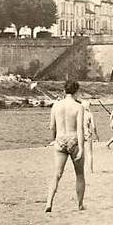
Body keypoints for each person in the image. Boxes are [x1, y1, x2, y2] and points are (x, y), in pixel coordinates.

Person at [44, 80, 86, 212]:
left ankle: (49, 202)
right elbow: (80, 129)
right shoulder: (79, 107)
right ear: (77, 92)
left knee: (56, 174)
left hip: (60, 139)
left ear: (64, 91)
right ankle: (80, 204)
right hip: (73, 139)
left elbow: (52, 126)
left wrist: (54, 139)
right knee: (79, 174)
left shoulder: (56, 105)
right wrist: (82, 148)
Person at [81, 101, 98, 172]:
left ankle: (81, 169)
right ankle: (90, 170)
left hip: (79, 133)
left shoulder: (79, 114)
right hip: (87, 133)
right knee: (89, 153)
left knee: (81, 152)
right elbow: (93, 126)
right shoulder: (90, 114)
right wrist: (96, 135)